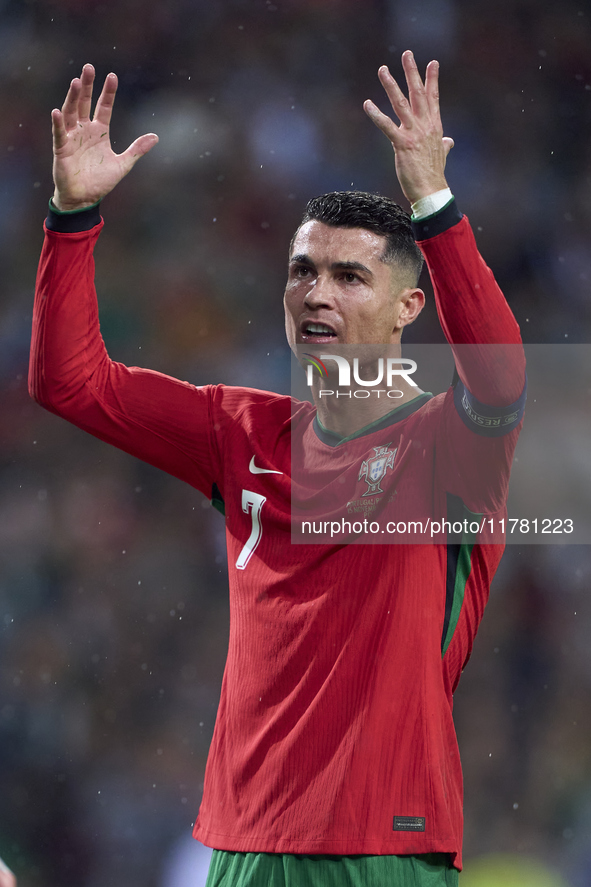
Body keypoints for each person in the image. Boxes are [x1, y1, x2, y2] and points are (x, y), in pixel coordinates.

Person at [30, 52, 525, 887]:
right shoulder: (239, 428)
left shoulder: (451, 445)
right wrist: (72, 215)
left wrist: (433, 204)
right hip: (244, 845)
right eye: (302, 271)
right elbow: (69, 382)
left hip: (383, 845)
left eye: (347, 275)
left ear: (410, 306)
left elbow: (503, 370)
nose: (316, 294)